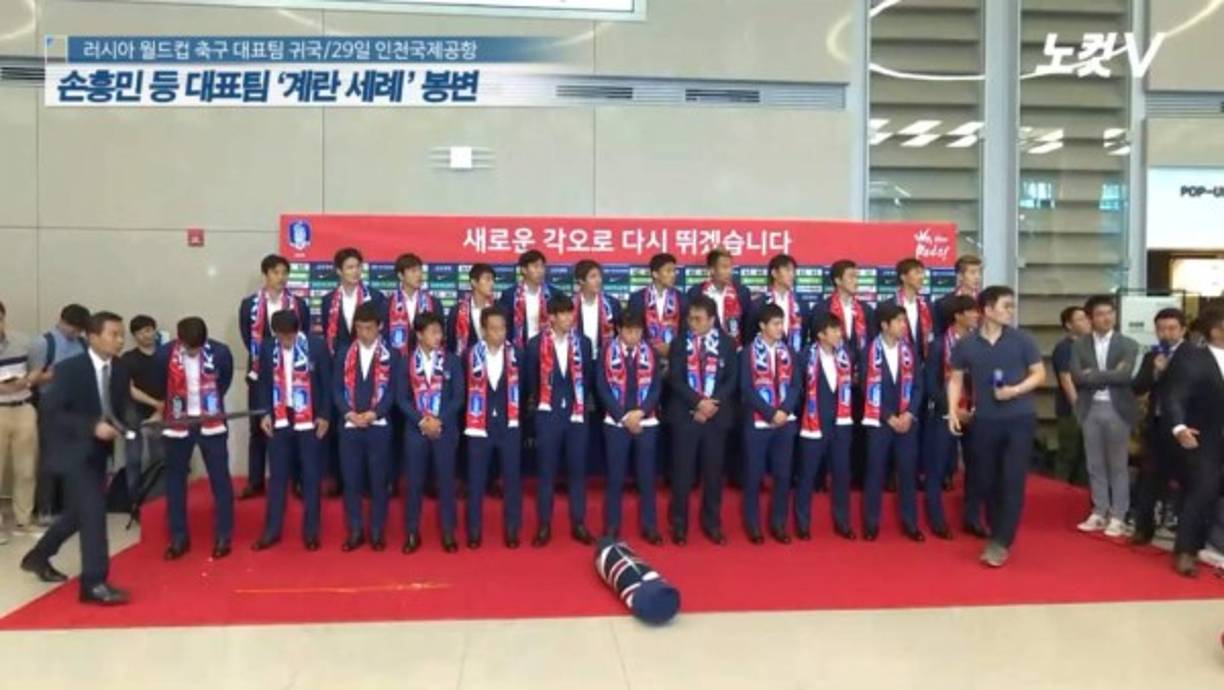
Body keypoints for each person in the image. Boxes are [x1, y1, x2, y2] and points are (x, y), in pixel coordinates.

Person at [20, 311, 131, 605]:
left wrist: (130, 426)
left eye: (121, 335)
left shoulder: (120, 369)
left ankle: (38, 556)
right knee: (94, 513)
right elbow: (53, 412)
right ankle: (94, 583)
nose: (120, 340)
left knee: (77, 514)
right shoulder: (70, 369)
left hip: (98, 452)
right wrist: (92, 425)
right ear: (93, 337)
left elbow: (120, 407)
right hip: (70, 450)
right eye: (114, 334)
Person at [947, 286, 1046, 568]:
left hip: (1019, 419)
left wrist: (1015, 390)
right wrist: (953, 409)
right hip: (984, 421)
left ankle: (1001, 541)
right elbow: (955, 378)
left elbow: (1039, 374)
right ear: (987, 310)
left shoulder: (1022, 340)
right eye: (1005, 306)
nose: (1010, 311)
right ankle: (995, 529)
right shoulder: (966, 343)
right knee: (985, 480)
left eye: (1012, 306)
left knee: (1012, 480)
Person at [156, 317, 236, 561]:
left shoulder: (221, 353)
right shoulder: (164, 354)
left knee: (220, 479)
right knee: (176, 481)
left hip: (210, 423)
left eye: (198, 347)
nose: (194, 351)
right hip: (178, 423)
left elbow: (224, 382)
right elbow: (161, 385)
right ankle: (179, 537)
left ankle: (223, 535)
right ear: (179, 341)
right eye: (190, 348)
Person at [252, 310, 331, 552]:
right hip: (280, 417)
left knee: (310, 476)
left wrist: (325, 416)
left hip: (308, 418)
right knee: (277, 477)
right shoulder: (267, 349)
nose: (286, 341)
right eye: (281, 337)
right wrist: (264, 413)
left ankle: (311, 532)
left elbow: (327, 384)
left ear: (298, 331)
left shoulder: (316, 348)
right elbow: (262, 383)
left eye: (290, 336)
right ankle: (271, 531)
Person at [524, 295, 595, 547]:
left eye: (570, 313)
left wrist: (577, 404)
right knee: (546, 473)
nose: (568, 318)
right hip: (547, 415)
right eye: (562, 314)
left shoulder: (584, 344)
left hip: (576, 415)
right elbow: (530, 381)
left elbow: (588, 378)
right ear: (551, 317)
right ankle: (544, 524)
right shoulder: (534, 345)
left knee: (578, 472)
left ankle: (579, 523)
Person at [238, 254, 310, 500]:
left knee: (298, 424)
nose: (281, 277)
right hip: (262, 372)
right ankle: (256, 481)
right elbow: (248, 337)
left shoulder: (298, 304)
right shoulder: (249, 305)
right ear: (266, 274)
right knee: (258, 425)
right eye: (276, 272)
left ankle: (298, 481)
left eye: (284, 273)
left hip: (295, 375)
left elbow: (304, 335)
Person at [666, 295, 737, 545]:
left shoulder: (727, 344)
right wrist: (698, 403)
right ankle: (678, 525)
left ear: (712, 320)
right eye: (690, 318)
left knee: (713, 474)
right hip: (686, 417)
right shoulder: (678, 343)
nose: (692, 323)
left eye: (698, 319)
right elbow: (675, 379)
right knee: (682, 475)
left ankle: (712, 524)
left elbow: (731, 379)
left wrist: (711, 404)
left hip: (716, 418)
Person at [1070, 295, 1140, 538]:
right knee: (1094, 463)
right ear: (1090, 318)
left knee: (1118, 464)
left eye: (1110, 312)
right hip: (1089, 408)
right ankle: (1099, 510)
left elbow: (1124, 376)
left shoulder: (1128, 343)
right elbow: (1078, 377)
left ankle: (1119, 515)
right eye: (1100, 314)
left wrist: (1095, 375)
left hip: (1117, 409)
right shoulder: (1079, 345)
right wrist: (1108, 374)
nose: (1106, 318)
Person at [319, 247, 387, 496]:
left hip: (370, 365)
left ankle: (373, 482)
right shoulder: (328, 300)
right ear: (339, 271)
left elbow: (383, 334)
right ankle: (340, 479)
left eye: (358, 266)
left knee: (372, 427)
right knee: (343, 424)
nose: (355, 271)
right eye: (349, 267)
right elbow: (329, 335)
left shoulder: (376, 297)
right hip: (340, 366)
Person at [333, 302, 397, 552]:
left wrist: (374, 413)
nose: (363, 333)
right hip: (349, 427)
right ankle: (356, 530)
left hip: (378, 426)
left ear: (379, 327)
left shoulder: (392, 354)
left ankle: (378, 531)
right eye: (359, 328)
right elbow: (336, 389)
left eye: (368, 328)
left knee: (379, 482)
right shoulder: (343, 353)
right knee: (351, 482)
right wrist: (349, 413)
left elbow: (393, 391)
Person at [596, 310, 664, 544]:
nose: (635, 336)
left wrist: (641, 412)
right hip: (616, 423)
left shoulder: (651, 353)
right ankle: (612, 526)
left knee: (647, 478)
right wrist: (624, 416)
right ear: (619, 330)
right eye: (629, 331)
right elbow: (602, 387)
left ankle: (650, 526)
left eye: (638, 331)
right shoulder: (606, 352)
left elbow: (656, 388)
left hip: (646, 421)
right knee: (615, 478)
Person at [398, 312, 464, 554]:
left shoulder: (452, 361)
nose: (438, 337)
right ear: (419, 334)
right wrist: (422, 421)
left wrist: (438, 421)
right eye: (433, 332)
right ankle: (412, 532)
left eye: (440, 332)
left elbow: (458, 398)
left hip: (444, 430)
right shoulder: (405, 362)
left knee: (446, 483)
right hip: (416, 432)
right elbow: (401, 398)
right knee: (414, 484)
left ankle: (448, 532)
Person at [1165, 307, 1224, 576]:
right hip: (1205, 439)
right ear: (1216, 330)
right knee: (1201, 493)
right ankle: (1186, 551)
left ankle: (1213, 546)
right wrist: (1178, 427)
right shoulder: (1193, 356)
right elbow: (1175, 395)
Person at [862, 303, 925, 542]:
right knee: (875, 473)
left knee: (908, 473)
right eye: (898, 321)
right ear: (885, 325)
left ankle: (910, 524)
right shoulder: (869, 351)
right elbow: (866, 387)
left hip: (907, 423)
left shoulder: (910, 350)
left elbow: (919, 386)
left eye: (904, 321)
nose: (903, 326)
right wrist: (889, 417)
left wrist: (908, 414)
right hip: (879, 423)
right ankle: (871, 524)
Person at [463, 306, 524, 549]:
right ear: (483, 330)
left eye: (503, 328)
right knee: (476, 481)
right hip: (479, 427)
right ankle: (474, 531)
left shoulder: (517, 354)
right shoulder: (469, 355)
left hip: (509, 425)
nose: (499, 333)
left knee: (511, 481)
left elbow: (527, 386)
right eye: (494, 329)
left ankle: (512, 529)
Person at [739, 304, 800, 544]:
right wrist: (769, 412)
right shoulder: (747, 353)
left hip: (784, 422)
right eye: (775, 324)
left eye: (781, 323)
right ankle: (753, 525)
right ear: (763, 326)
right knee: (754, 476)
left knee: (783, 476)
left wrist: (783, 410)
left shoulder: (789, 352)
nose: (780, 328)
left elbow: (796, 385)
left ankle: (778, 524)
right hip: (757, 423)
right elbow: (746, 388)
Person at [795, 313, 856, 540]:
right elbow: (798, 389)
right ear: (820, 334)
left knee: (841, 475)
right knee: (807, 475)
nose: (839, 334)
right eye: (834, 330)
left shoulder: (847, 355)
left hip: (841, 425)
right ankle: (803, 523)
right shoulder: (803, 357)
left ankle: (843, 523)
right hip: (813, 423)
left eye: (840, 330)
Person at [1130, 308, 1189, 545]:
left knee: (1187, 480)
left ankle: (1185, 532)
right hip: (1157, 424)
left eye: (1172, 328)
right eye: (1161, 329)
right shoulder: (1152, 355)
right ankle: (1143, 528)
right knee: (1149, 477)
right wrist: (1155, 371)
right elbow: (1138, 386)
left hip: (1186, 427)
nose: (1166, 334)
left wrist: (1169, 372)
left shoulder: (1195, 355)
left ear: (1183, 329)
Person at [923, 295, 979, 539]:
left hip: (975, 415)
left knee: (976, 470)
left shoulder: (979, 343)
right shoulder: (938, 346)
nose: (977, 316)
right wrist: (955, 408)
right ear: (958, 316)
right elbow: (931, 385)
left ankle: (973, 519)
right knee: (936, 469)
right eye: (972, 311)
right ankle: (937, 521)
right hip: (945, 414)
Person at [29, 303, 90, 523]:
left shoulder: (82, 343)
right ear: (63, 321)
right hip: (50, 403)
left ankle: (68, 507)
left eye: (80, 330)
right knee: (49, 457)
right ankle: (45, 508)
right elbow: (32, 379)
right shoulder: (44, 343)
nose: (76, 333)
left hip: (76, 406)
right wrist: (56, 374)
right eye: (73, 328)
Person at [0, 300, 39, 539]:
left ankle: (24, 521)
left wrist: (26, 381)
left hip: (24, 407)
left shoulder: (23, 341)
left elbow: (37, 369)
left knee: (26, 469)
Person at [119, 315, 166, 499]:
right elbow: (128, 388)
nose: (146, 335)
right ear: (134, 336)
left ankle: (157, 498)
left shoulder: (166, 355)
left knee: (160, 455)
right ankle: (134, 500)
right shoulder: (128, 358)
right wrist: (155, 403)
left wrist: (160, 410)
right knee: (133, 457)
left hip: (162, 411)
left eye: (148, 330)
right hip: (133, 412)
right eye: (140, 332)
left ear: (155, 331)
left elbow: (174, 384)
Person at [1051, 306, 1091, 485]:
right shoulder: (1065, 348)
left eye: (1086, 318)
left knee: (1086, 456)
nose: (1087, 322)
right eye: (1080, 319)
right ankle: (1059, 492)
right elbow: (1066, 379)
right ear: (1068, 325)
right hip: (1072, 410)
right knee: (1068, 454)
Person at [687, 248, 752, 351]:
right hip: (705, 351)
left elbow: (748, 327)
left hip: (735, 353)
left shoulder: (742, 292)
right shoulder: (696, 292)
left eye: (730, 267)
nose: (729, 272)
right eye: (724, 267)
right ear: (712, 270)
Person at [628, 253, 685, 364]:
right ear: (655, 274)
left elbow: (686, 330)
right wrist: (651, 347)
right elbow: (633, 328)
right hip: (644, 358)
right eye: (668, 271)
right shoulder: (638, 298)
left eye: (674, 271)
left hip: (674, 359)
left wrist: (672, 347)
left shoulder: (682, 298)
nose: (673, 275)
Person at [748, 254, 809, 353]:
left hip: (793, 359)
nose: (792, 275)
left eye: (793, 271)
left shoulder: (802, 306)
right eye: (787, 270)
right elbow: (749, 336)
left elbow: (804, 336)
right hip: (764, 360)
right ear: (774, 273)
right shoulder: (758, 304)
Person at [500, 250, 561, 350]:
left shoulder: (554, 294)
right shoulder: (510, 295)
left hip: (549, 349)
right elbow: (505, 325)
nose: (540, 271)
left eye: (542, 267)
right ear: (524, 269)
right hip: (519, 349)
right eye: (535, 266)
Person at [387, 252, 443, 356]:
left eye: (420, 271)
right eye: (413, 271)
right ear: (400, 275)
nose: (419, 275)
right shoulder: (388, 304)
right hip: (397, 361)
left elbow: (440, 336)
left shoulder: (434, 303)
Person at [879, 258, 935, 363]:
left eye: (922, 273)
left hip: (924, 366)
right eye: (917, 273)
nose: (922, 277)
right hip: (897, 364)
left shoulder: (928, 306)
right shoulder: (887, 306)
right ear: (903, 277)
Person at [573, 259, 621, 358]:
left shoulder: (612, 304)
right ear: (581, 281)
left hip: (605, 358)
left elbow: (619, 333)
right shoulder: (570, 304)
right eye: (593, 277)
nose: (598, 280)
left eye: (599, 276)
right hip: (578, 358)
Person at [448, 262, 498, 356]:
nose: (492, 283)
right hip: (465, 364)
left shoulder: (499, 309)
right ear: (474, 282)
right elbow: (451, 344)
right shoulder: (457, 311)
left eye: (493, 280)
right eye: (487, 279)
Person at [934, 255, 983, 336]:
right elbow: (939, 334)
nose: (977, 277)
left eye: (979, 273)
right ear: (960, 276)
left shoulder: (985, 301)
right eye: (973, 273)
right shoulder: (943, 303)